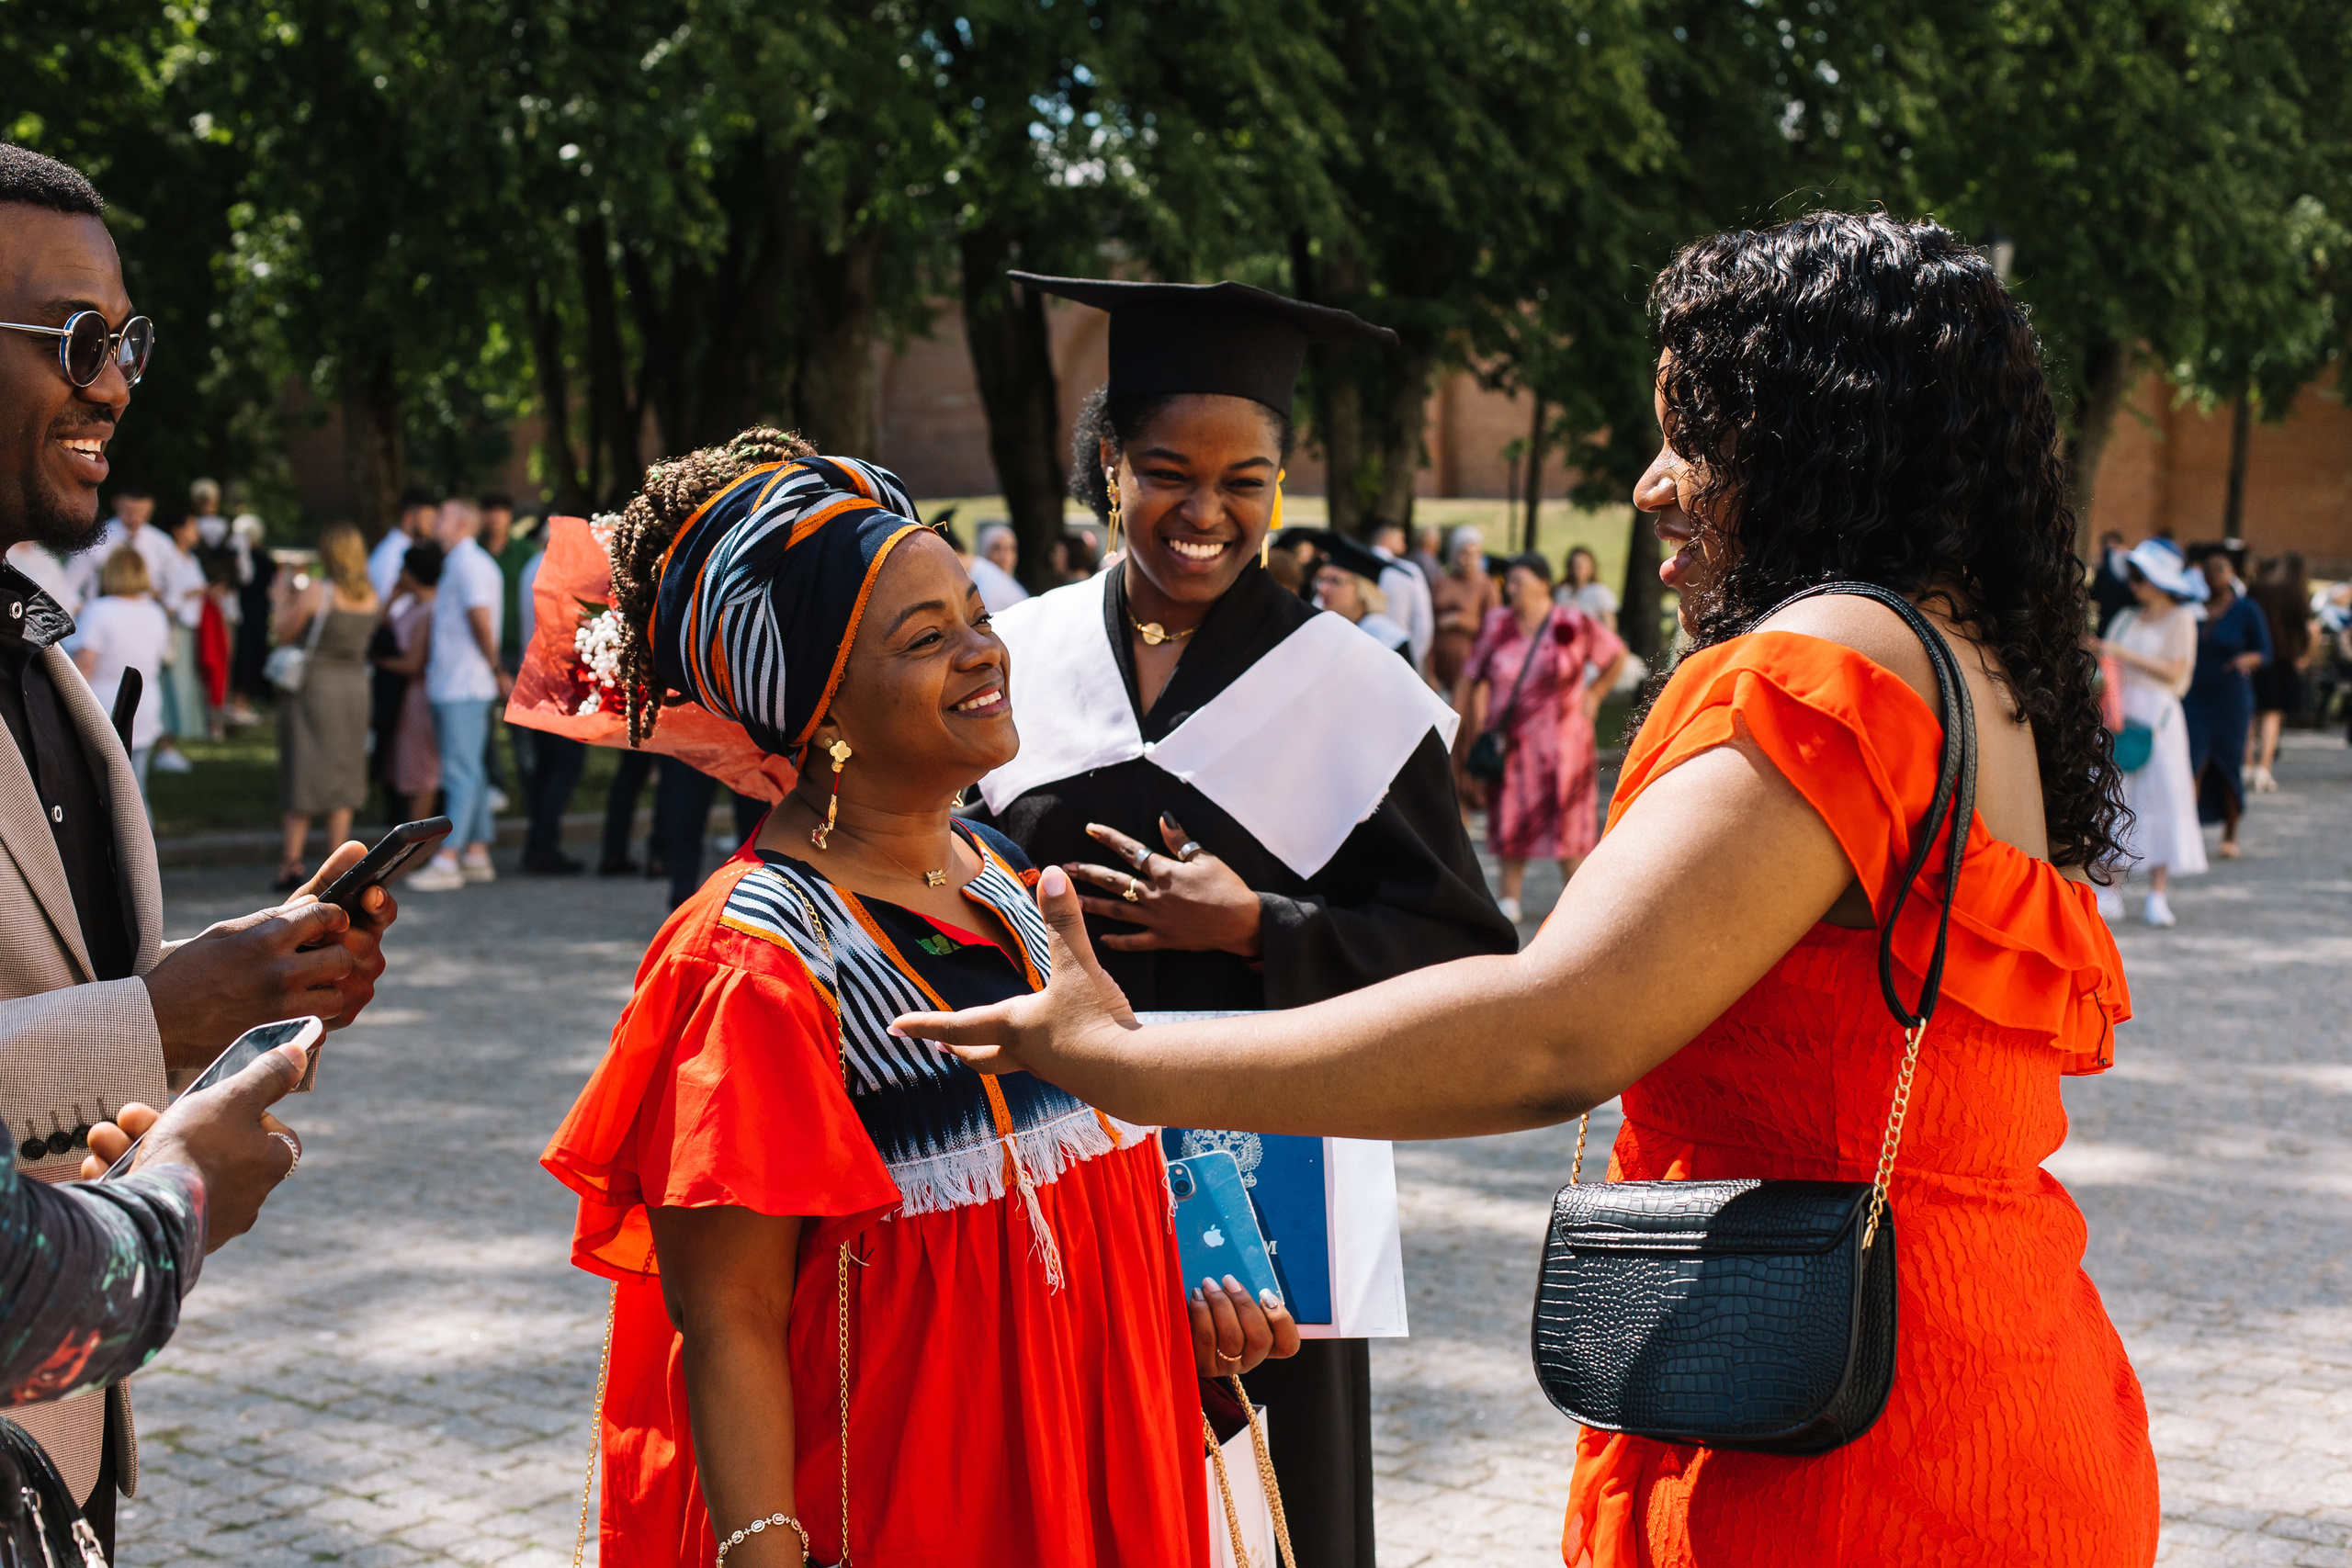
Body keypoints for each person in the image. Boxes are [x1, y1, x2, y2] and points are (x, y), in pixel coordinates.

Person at [910, 214, 2161, 1567]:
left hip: (1849, 1443)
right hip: (1989, 1367)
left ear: (1823, 443)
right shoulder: (1974, 672)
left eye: (1696, 437)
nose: (1649, 483)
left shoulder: (1820, 673)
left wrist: (1125, 1060)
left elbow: (1551, 1031)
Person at [538, 431, 1271, 1566]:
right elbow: (724, 1316)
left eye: (977, 616)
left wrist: (1178, 1317)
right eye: (928, 640)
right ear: (821, 712)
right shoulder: (759, 965)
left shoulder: (1016, 884)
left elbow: (1074, 1211)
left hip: (1094, 1470)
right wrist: (767, 1553)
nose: (986, 654)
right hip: (911, 1506)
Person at [971, 272, 1517, 1568]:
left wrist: (1261, 928)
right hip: (1048, 1165)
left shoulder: (1352, 694)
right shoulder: (1016, 659)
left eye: (1247, 480)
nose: (1205, 512)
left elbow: (1472, 960)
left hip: (1268, 1181)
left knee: (1269, 1507)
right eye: (1167, 470)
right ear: (1108, 464)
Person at [0, 140, 398, 1552]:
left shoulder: (35, 655)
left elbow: (76, 983)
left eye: (128, 340)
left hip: (63, 1427)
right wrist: (171, 1023)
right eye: (75, 337)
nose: (114, 380)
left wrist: (236, 984)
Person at [1457, 552, 1627, 923]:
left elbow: (1615, 655)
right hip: (1513, 744)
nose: (1510, 587)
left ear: (1543, 584)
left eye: (1517, 580)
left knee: (1568, 818)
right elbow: (1471, 674)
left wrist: (1595, 694)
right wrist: (1462, 722)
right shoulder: (1497, 624)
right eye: (1508, 581)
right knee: (1511, 814)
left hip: (1565, 742)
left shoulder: (1573, 621)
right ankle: (1509, 899)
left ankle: (1578, 905)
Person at [2097, 541, 2208, 925]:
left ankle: (2157, 894)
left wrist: (2120, 653)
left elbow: (2176, 673)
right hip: (2119, 716)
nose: (2134, 583)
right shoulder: (2125, 617)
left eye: (2141, 576)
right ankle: (2109, 886)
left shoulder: (2182, 619)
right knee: (2115, 798)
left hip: (2159, 720)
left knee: (2165, 797)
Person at [272, 523, 381, 891]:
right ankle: (341, 864)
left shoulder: (319, 592)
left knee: (304, 769)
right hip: (354, 689)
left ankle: (292, 863)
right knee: (345, 773)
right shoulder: (371, 596)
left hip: (315, 688)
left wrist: (279, 600)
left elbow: (284, 632)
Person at [406, 499, 507, 891]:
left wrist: (496, 668)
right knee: (472, 770)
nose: (436, 521)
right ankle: (476, 851)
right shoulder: (466, 562)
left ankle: (448, 860)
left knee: (460, 773)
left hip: (462, 683)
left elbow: (479, 619)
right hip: (462, 682)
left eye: (444, 515)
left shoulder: (468, 564)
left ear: (462, 523)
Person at [2182, 542, 2270, 862]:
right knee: (2193, 764)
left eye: (2219, 569)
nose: (2212, 575)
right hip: (2195, 697)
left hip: (2231, 698)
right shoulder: (2193, 608)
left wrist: (2248, 658)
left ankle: (2230, 833)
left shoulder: (2247, 609)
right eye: (2207, 570)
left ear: (2231, 573)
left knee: (2228, 764)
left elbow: (2266, 651)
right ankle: (2188, 837)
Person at [65, 547, 170, 793]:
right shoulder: (156, 612)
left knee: (101, 791)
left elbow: (85, 667)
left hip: (104, 707)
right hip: (145, 703)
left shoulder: (99, 610)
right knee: (137, 789)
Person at [514, 525, 586, 874]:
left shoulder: (532, 566)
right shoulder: (557, 571)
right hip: (559, 679)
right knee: (565, 767)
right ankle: (543, 845)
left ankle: (538, 845)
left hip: (535, 676)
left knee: (546, 769)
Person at [373, 541, 444, 828]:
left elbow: (413, 663)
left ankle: (419, 838)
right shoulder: (409, 606)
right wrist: (390, 598)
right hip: (400, 698)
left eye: (403, 569)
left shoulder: (430, 610)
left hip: (418, 698)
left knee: (419, 768)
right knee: (400, 765)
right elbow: (377, 628)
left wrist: (378, 661)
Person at [2247, 551, 2313, 793]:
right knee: (2272, 716)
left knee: (2251, 714)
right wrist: (2304, 654)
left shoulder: (2259, 589)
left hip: (2255, 657)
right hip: (2282, 659)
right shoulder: (2295, 592)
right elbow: (2308, 628)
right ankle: (2264, 768)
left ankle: (2247, 765)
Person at [1429, 524, 1498, 696]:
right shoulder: (1440, 583)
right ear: (1453, 553)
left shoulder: (1486, 585)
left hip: (1469, 667)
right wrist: (1428, 671)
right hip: (1440, 661)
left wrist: (1460, 620)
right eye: (1463, 553)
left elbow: (1494, 630)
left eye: (1474, 554)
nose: (1468, 559)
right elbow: (1428, 628)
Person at [1366, 518, 1434, 676]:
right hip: (1400, 657)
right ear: (1388, 538)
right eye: (1401, 538)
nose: (1404, 544)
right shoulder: (1408, 572)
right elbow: (1423, 625)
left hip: (1362, 658)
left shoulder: (1350, 569)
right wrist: (1411, 658)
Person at [1313, 558, 1412, 657]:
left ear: (1362, 587)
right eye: (1322, 580)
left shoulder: (1386, 638)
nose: (1322, 588)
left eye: (1335, 581)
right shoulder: (1324, 628)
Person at [368, 488, 436, 605]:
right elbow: (390, 606)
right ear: (408, 518)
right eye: (427, 519)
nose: (433, 525)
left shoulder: (417, 549)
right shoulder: (390, 555)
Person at [1557, 545, 1619, 636]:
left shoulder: (1599, 592)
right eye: (1575, 564)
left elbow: (1609, 624)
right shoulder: (1562, 591)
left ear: (1591, 567)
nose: (1578, 568)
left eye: (1582, 564)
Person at [968, 522, 1031, 613]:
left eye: (1011, 549)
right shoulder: (977, 591)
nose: (1004, 556)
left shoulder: (1016, 590)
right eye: (997, 548)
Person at [2089, 527, 2137, 636]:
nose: (2111, 552)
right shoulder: (2102, 570)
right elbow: (2097, 593)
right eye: (2107, 548)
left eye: (2114, 547)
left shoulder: (2130, 566)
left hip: (2126, 618)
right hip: (2106, 617)